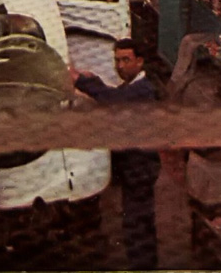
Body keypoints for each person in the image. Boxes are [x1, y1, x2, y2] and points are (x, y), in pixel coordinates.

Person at [72, 38, 161, 270]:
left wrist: (81, 81)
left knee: (136, 225)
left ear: (139, 62)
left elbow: (114, 101)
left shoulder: (143, 91)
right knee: (139, 223)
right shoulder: (130, 88)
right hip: (137, 169)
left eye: (125, 60)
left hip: (139, 169)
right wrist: (95, 81)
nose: (120, 66)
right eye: (117, 60)